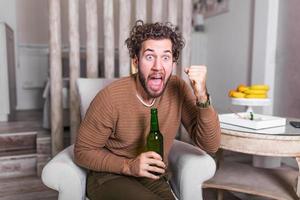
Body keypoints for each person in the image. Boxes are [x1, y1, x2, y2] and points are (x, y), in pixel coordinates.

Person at [74, 20, 221, 200]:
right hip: (109, 176)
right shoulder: (110, 98)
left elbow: (210, 145)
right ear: (136, 61)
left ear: (173, 63)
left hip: (151, 177)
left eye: (165, 57)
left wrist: (201, 96)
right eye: (150, 57)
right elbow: (82, 152)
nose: (158, 66)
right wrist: (128, 166)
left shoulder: (178, 89)